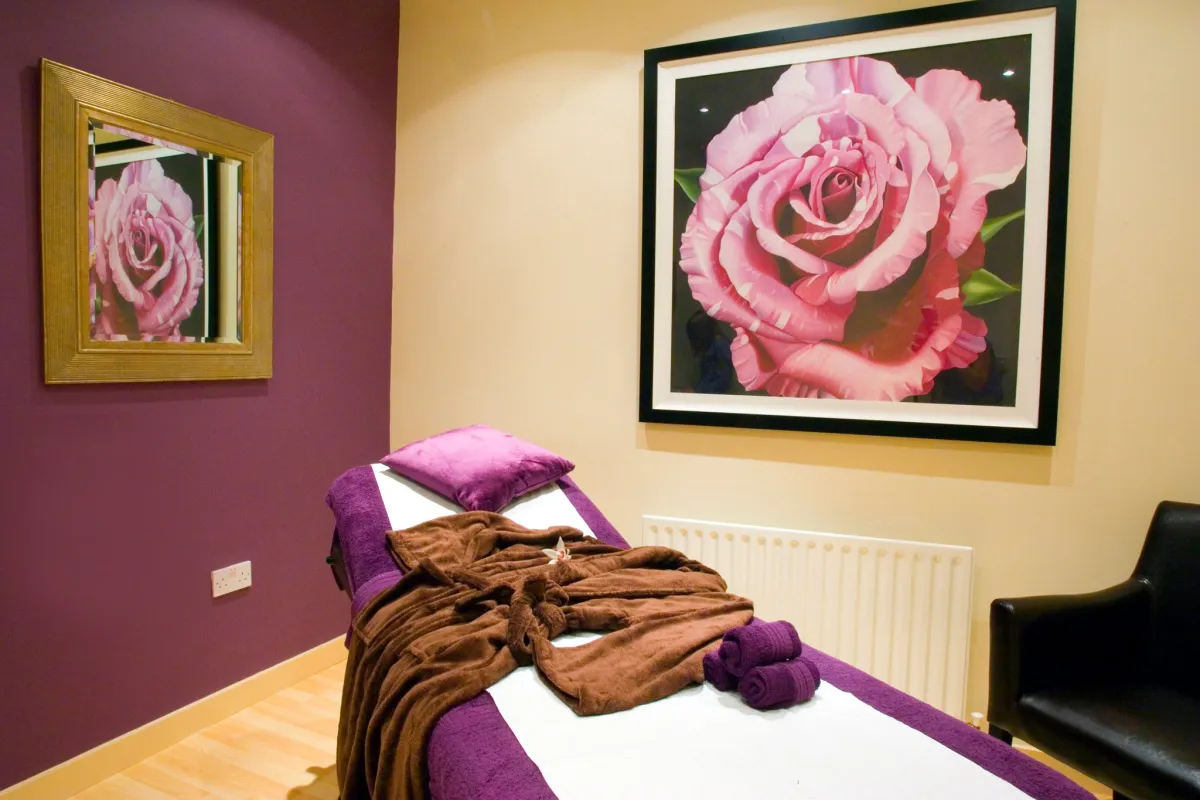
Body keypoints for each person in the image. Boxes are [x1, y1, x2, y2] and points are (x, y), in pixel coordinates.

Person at [685, 310, 734, 394]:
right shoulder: (711, 345)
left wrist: (698, 390)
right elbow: (708, 375)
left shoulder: (721, 345)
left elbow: (723, 380)